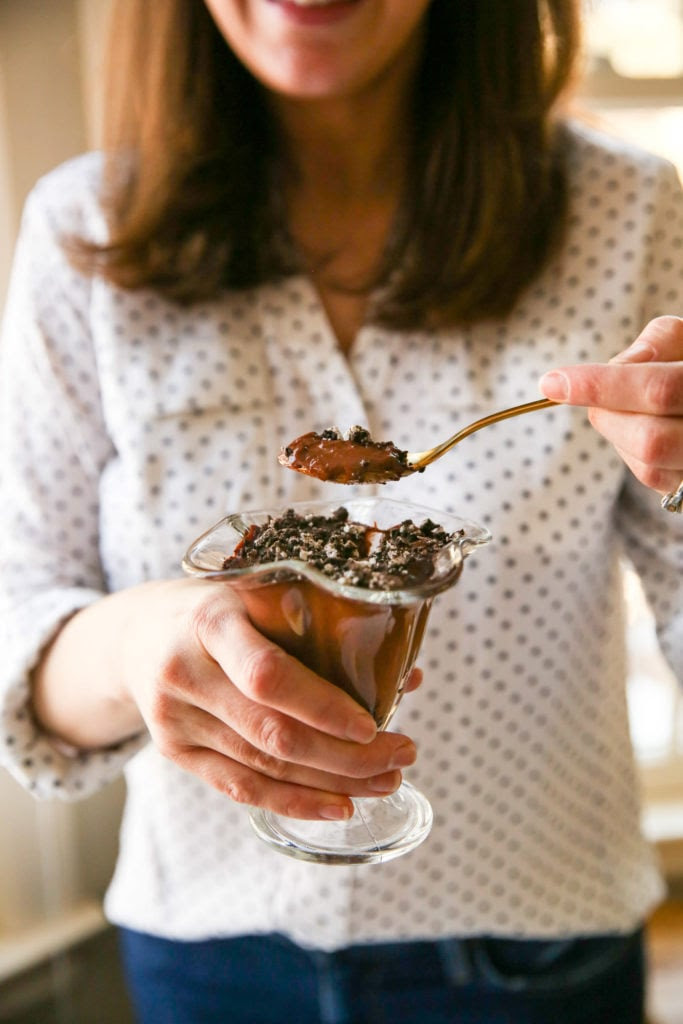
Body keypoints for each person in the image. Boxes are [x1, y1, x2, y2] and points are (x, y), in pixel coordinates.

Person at [1, 1, 682, 1021]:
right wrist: (143, 638)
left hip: (534, 941)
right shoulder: (82, 229)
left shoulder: (626, 213)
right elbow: (19, 623)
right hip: (209, 954)